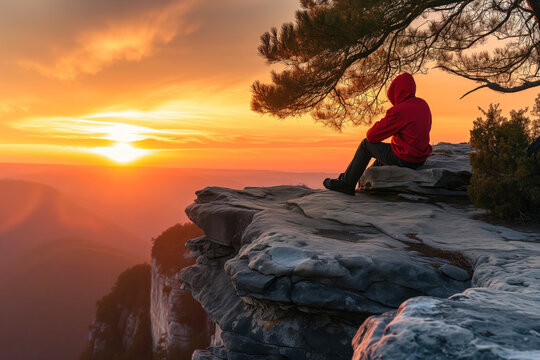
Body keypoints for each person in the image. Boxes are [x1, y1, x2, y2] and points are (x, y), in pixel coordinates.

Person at [323, 72, 432, 195]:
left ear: (395, 92)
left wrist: (387, 118)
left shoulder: (400, 111)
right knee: (382, 156)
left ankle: (347, 184)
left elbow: (372, 136)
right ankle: (366, 182)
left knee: (366, 145)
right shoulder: (423, 104)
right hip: (420, 158)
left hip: (405, 159)